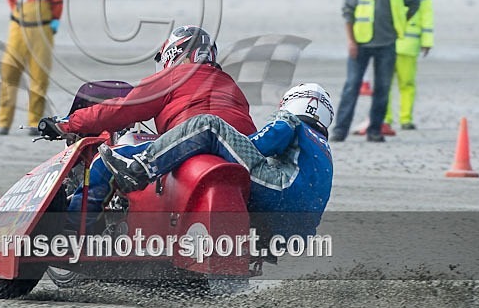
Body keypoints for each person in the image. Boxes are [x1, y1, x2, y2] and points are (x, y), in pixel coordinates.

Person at [44, 25, 256, 231]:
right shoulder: (230, 85)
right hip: (238, 151)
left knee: (105, 161)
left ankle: (73, 229)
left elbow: (121, 110)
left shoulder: (174, 77)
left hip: (188, 144)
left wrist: (68, 123)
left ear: (173, 54)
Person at [99, 83, 335, 238]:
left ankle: (139, 169)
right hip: (297, 228)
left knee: (209, 125)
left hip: (277, 190)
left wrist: (234, 142)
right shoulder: (324, 149)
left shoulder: (291, 122)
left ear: (294, 101)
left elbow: (260, 145)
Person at [330, 0, 420, 143]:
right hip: (361, 43)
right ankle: (340, 130)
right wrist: (351, 41)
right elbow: (347, 12)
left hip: (387, 43)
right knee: (351, 86)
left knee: (382, 88)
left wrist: (401, 22)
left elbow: (414, 2)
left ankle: (375, 130)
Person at [0, 0, 63, 136]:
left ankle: (34, 122)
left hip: (42, 31)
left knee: (39, 77)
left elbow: (57, 3)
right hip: (18, 29)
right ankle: (4, 122)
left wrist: (54, 22)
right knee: (9, 73)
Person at [384, 0, 435, 130]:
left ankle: (406, 119)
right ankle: (385, 118)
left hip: (410, 42)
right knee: (385, 83)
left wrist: (427, 39)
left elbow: (426, 10)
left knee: (407, 82)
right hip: (387, 40)